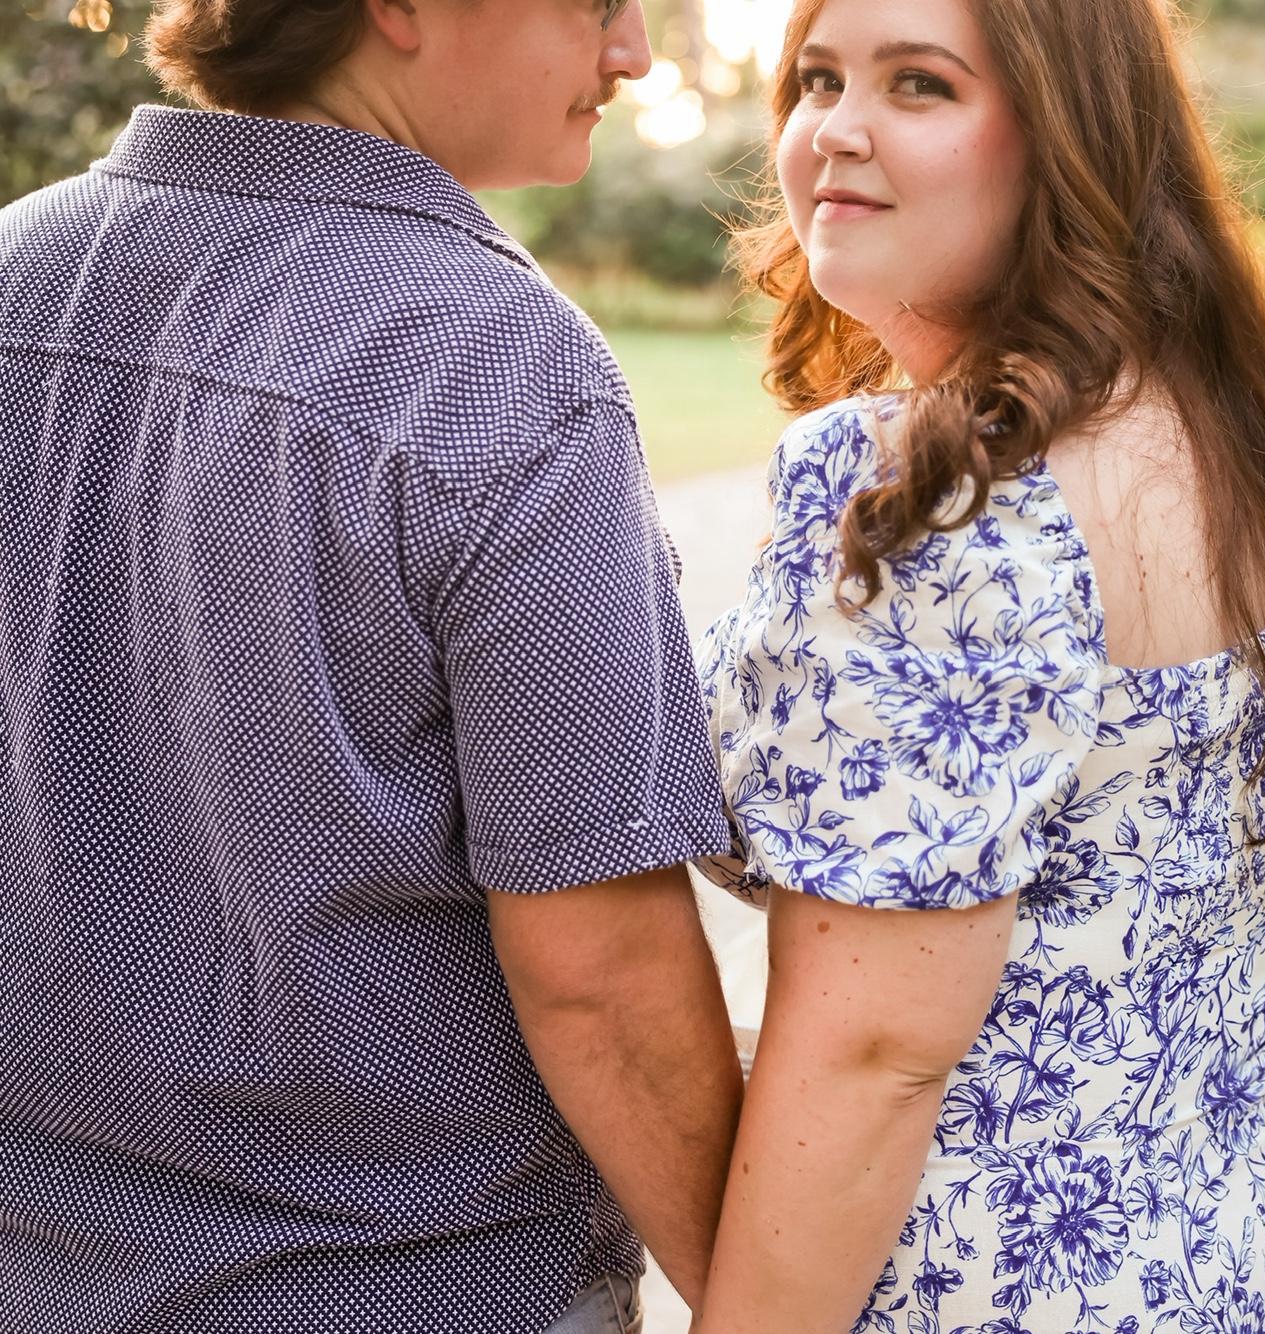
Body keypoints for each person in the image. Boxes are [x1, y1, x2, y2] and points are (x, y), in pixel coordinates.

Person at [0, 2, 744, 1331]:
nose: (634, 51)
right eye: (596, 1)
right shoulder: (491, 359)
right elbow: (600, 971)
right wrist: (762, 1302)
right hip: (419, 1280)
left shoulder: (15, 272)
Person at [692, 0, 1265, 1330]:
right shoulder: (1227, 430)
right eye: (818, 80)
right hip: (1251, 1258)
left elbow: (872, 1056)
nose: (835, 130)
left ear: (1066, 139)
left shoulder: (941, 501)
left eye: (919, 86)